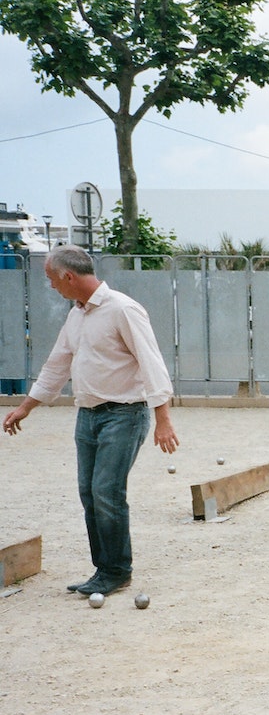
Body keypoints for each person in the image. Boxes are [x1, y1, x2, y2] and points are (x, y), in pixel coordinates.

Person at [2, 244, 180, 597]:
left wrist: (163, 419)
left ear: (69, 276)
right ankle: (104, 568)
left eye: (52, 278)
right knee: (89, 493)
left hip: (124, 414)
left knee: (107, 492)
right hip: (87, 415)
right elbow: (57, 365)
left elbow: (152, 362)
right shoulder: (77, 315)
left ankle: (117, 570)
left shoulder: (123, 310)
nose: (51, 285)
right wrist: (27, 407)